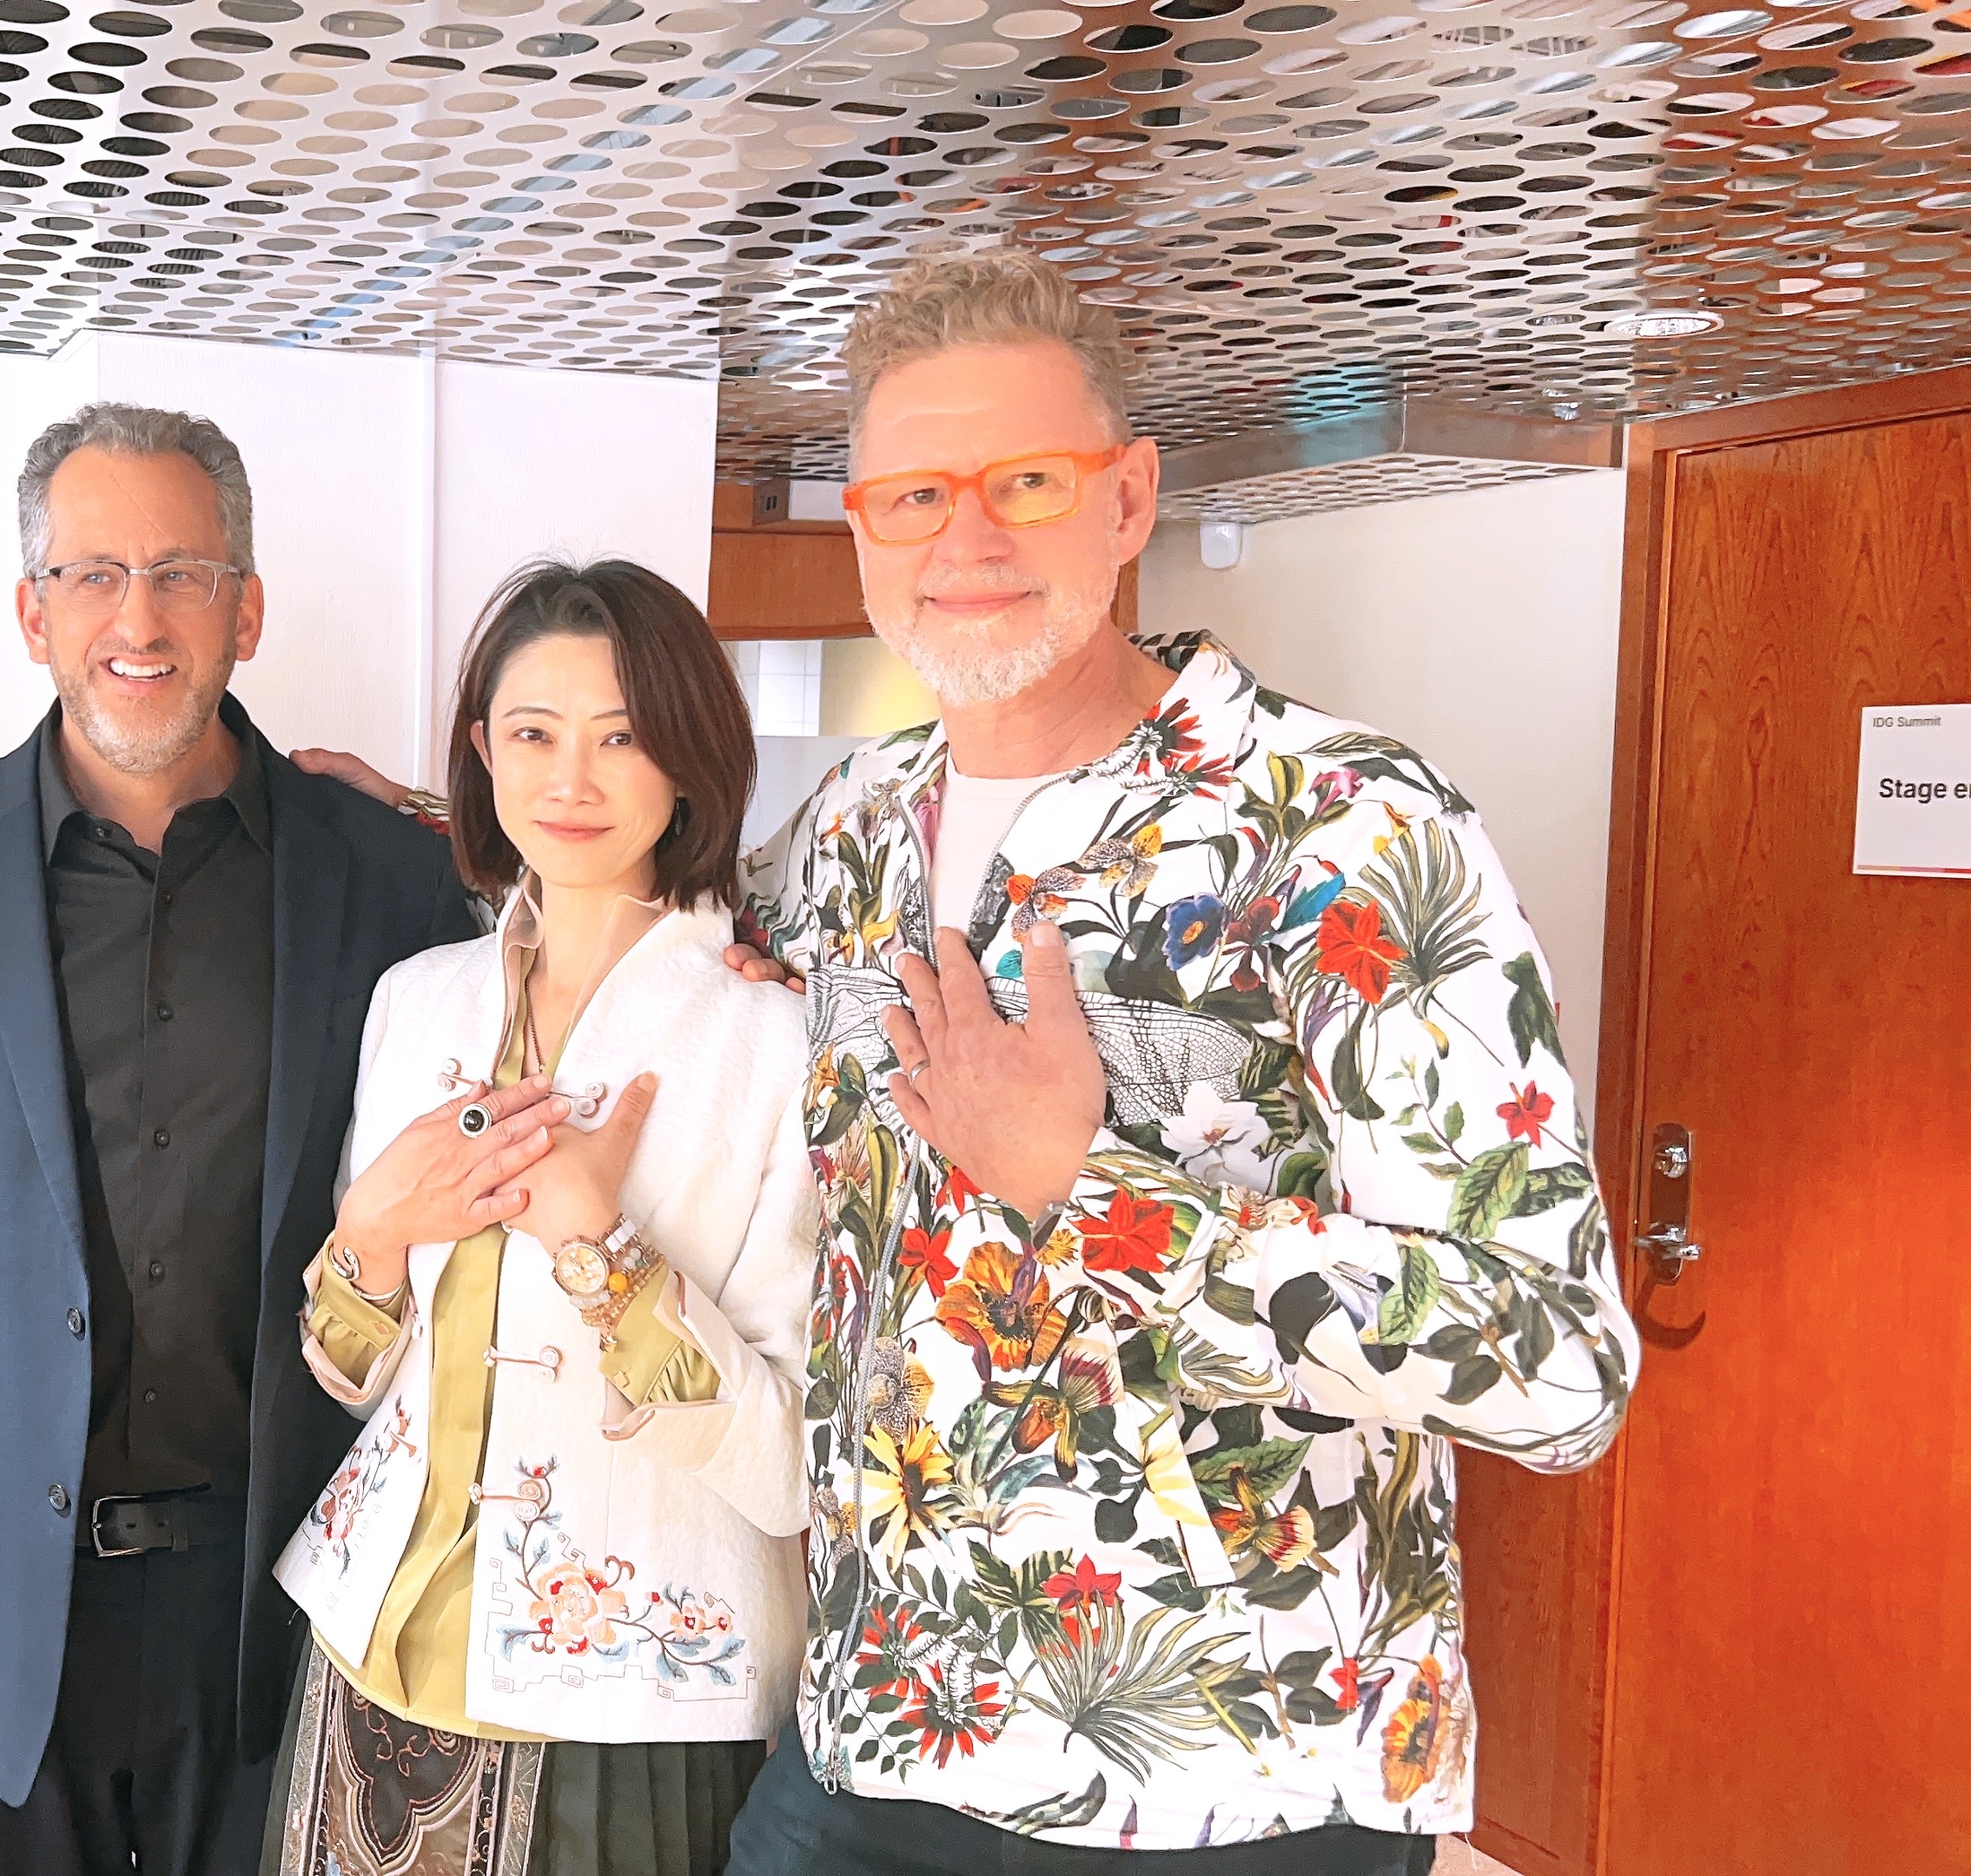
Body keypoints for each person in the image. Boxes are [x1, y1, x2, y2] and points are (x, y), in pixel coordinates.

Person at [299, 252, 1640, 1873]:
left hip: (1229, 1768)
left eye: (1027, 483)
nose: (968, 540)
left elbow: (1564, 1368)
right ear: (864, 528)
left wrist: (1096, 1192)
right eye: (917, 495)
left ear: (1128, 499)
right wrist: (401, 812)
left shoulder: (1351, 832)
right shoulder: (854, 834)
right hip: (880, 1724)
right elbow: (629, 875)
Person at [0, 402, 519, 1876]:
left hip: (279, 1612)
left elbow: (573, 939)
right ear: (33, 613)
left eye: (182, 574)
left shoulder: (388, 881)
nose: (139, 618)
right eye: (93, 574)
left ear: (248, 609)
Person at [265, 558, 818, 1876]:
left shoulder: (777, 1037)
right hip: (364, 1656)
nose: (572, 780)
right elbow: (350, 1374)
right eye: (533, 734)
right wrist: (372, 1238)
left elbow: (796, 1464)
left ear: (690, 754)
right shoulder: (417, 1001)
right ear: (481, 751)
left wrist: (602, 1254)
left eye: (622, 737)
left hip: (635, 1704)